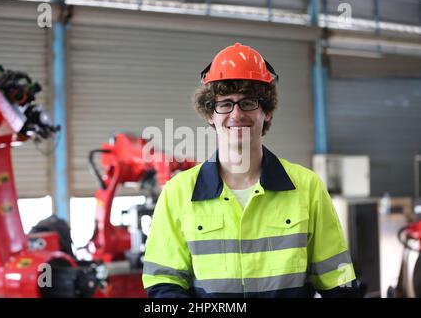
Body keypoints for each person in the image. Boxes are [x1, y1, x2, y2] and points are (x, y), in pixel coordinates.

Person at [142, 42, 358, 298]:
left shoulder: (307, 187)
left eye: (248, 103)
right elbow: (164, 285)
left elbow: (339, 282)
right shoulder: (178, 193)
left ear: (266, 112)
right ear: (210, 114)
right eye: (224, 104)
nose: (236, 114)